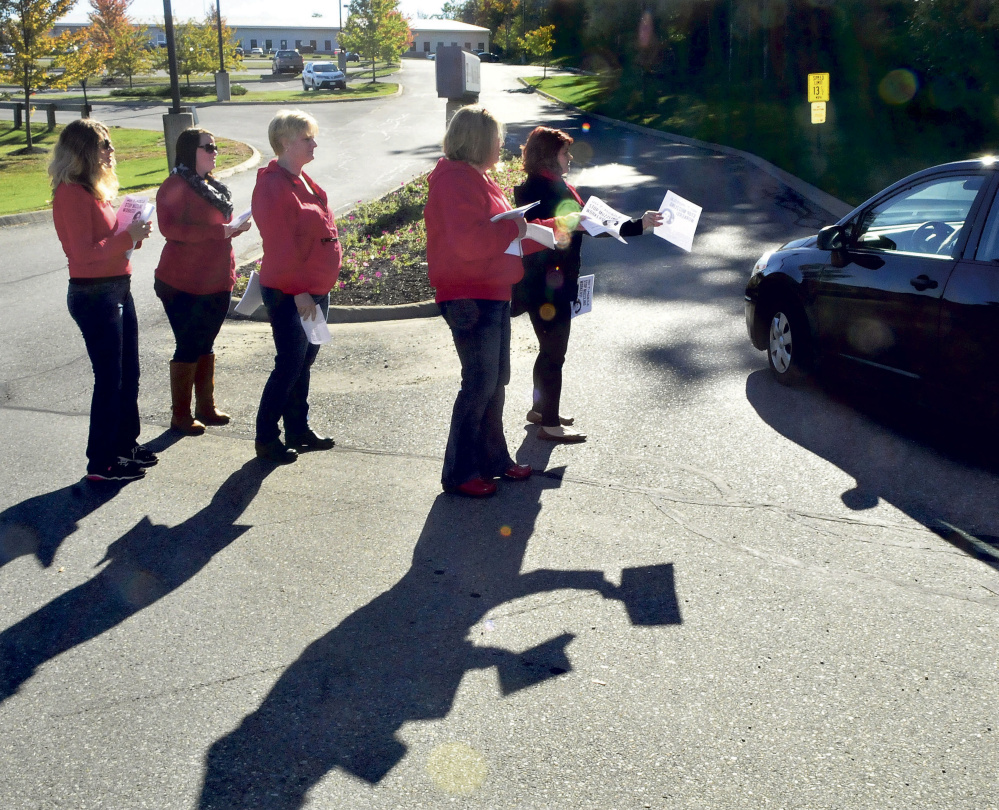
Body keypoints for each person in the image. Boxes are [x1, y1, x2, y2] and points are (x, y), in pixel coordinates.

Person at [424, 106, 560, 498]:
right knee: (479, 384)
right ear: (480, 140)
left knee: (494, 383)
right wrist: (516, 229)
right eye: (498, 137)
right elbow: (471, 244)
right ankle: (459, 473)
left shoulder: (476, 178)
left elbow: (508, 234)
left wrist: (559, 227)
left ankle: (493, 460)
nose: (502, 144)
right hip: (468, 294)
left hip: (491, 292)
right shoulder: (453, 181)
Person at [514, 126, 663, 442]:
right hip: (547, 284)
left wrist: (639, 224)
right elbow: (549, 231)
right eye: (564, 152)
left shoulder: (552, 185)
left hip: (549, 281)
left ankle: (541, 410)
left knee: (548, 350)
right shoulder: (542, 189)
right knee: (554, 353)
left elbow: (592, 224)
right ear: (549, 156)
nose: (569, 158)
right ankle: (550, 425)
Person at [50, 119, 156, 481]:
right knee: (110, 378)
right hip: (93, 293)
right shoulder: (71, 193)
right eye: (104, 144)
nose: (111, 150)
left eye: (110, 143)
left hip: (117, 286)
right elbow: (83, 253)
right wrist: (127, 238)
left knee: (129, 373)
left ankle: (124, 445)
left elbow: (109, 242)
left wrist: (133, 235)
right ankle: (102, 462)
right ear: (84, 151)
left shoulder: (94, 191)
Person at [251, 110, 340, 464]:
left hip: (314, 291)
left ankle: (298, 429)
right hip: (293, 292)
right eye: (307, 138)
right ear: (286, 143)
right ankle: (266, 437)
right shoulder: (272, 185)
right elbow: (280, 245)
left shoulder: (302, 179)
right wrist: (301, 291)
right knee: (289, 364)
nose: (314, 143)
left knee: (305, 360)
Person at [155, 127, 251, 435]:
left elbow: (218, 229)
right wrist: (218, 231)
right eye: (207, 147)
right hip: (181, 282)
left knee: (206, 342)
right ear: (190, 152)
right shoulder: (174, 185)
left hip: (217, 279)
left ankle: (205, 407)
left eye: (215, 147)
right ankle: (180, 415)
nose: (214, 152)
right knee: (189, 344)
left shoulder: (212, 185)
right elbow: (170, 229)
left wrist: (234, 229)